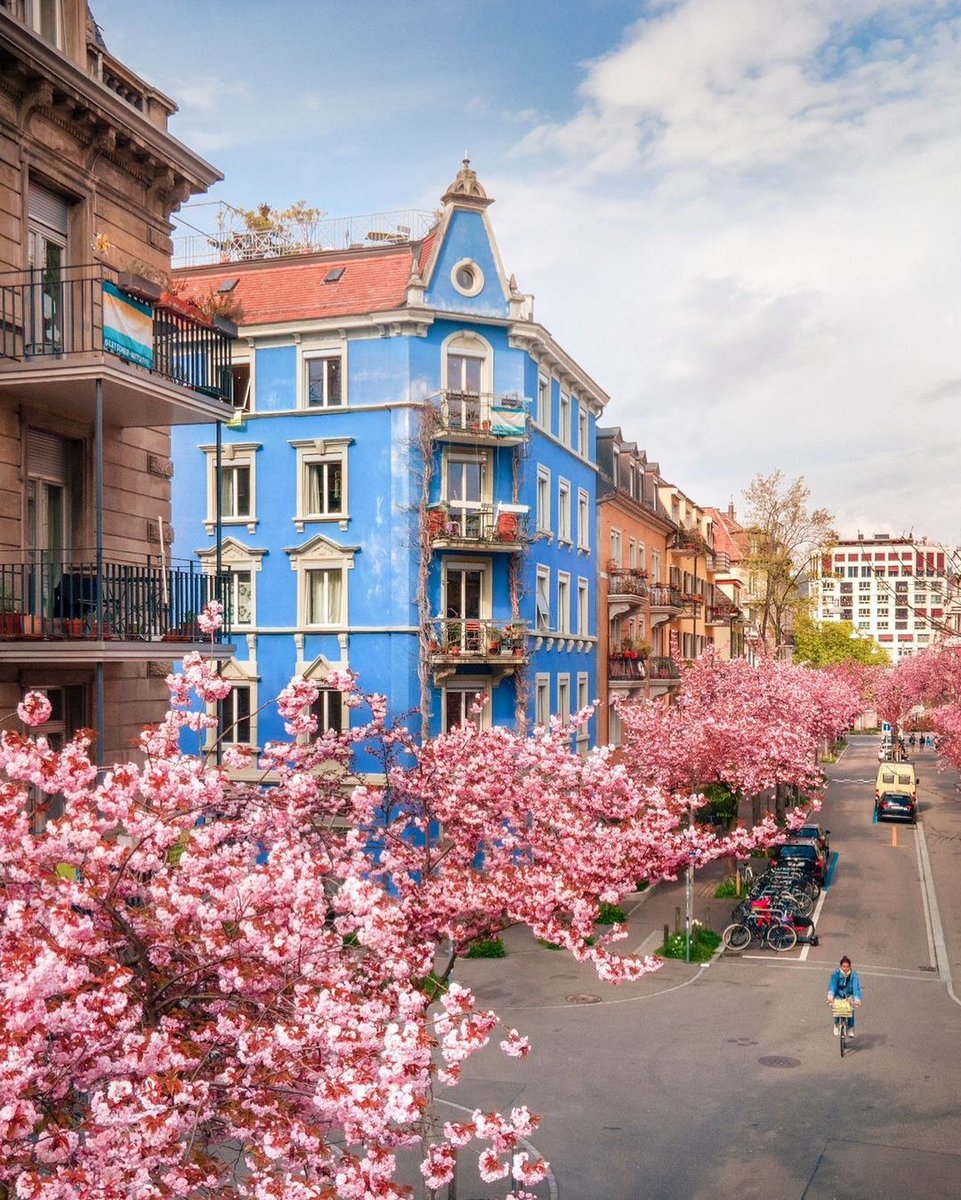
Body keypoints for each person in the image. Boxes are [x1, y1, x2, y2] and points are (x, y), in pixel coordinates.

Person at [827, 955, 863, 1036]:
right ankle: (836, 1024)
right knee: (835, 1009)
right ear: (841, 966)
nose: (845, 968)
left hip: (849, 995)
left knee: (850, 1010)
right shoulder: (836, 973)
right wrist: (830, 995)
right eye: (843, 966)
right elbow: (833, 985)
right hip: (838, 994)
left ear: (850, 967)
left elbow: (856, 987)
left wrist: (857, 999)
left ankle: (850, 1027)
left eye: (847, 967)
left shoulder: (854, 975)